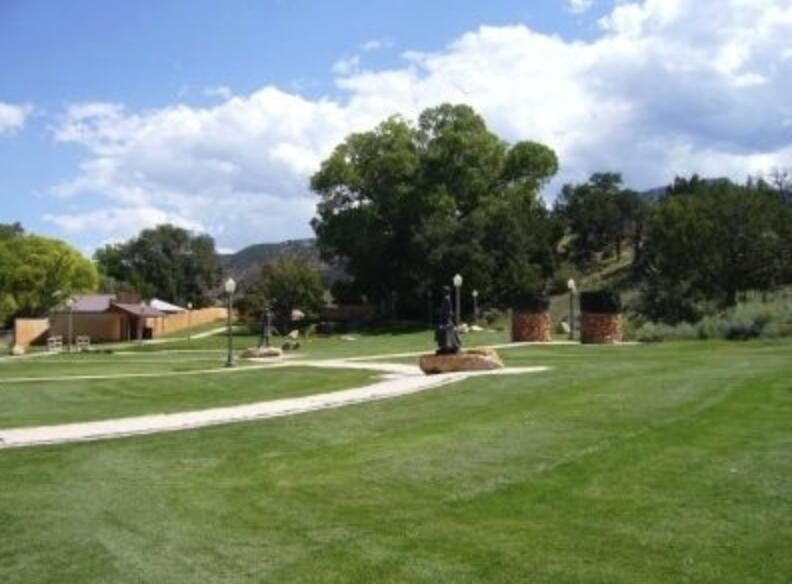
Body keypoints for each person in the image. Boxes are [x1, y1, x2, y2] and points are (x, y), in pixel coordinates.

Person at [434, 286, 462, 355]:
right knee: (446, 331)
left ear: (446, 292)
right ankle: (448, 347)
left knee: (445, 331)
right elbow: (448, 310)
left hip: (446, 319)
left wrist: (445, 317)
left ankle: (448, 347)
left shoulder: (446, 299)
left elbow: (447, 310)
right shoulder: (447, 298)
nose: (443, 292)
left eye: (444, 291)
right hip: (446, 318)